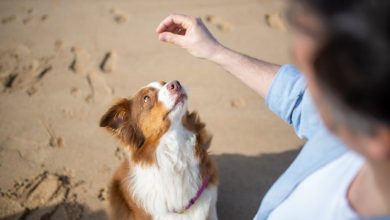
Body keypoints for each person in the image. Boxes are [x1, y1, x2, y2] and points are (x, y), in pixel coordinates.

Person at [155, 0, 390, 219]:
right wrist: (215, 52)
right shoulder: (353, 127)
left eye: (317, 76)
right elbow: (296, 97)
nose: (307, 90)